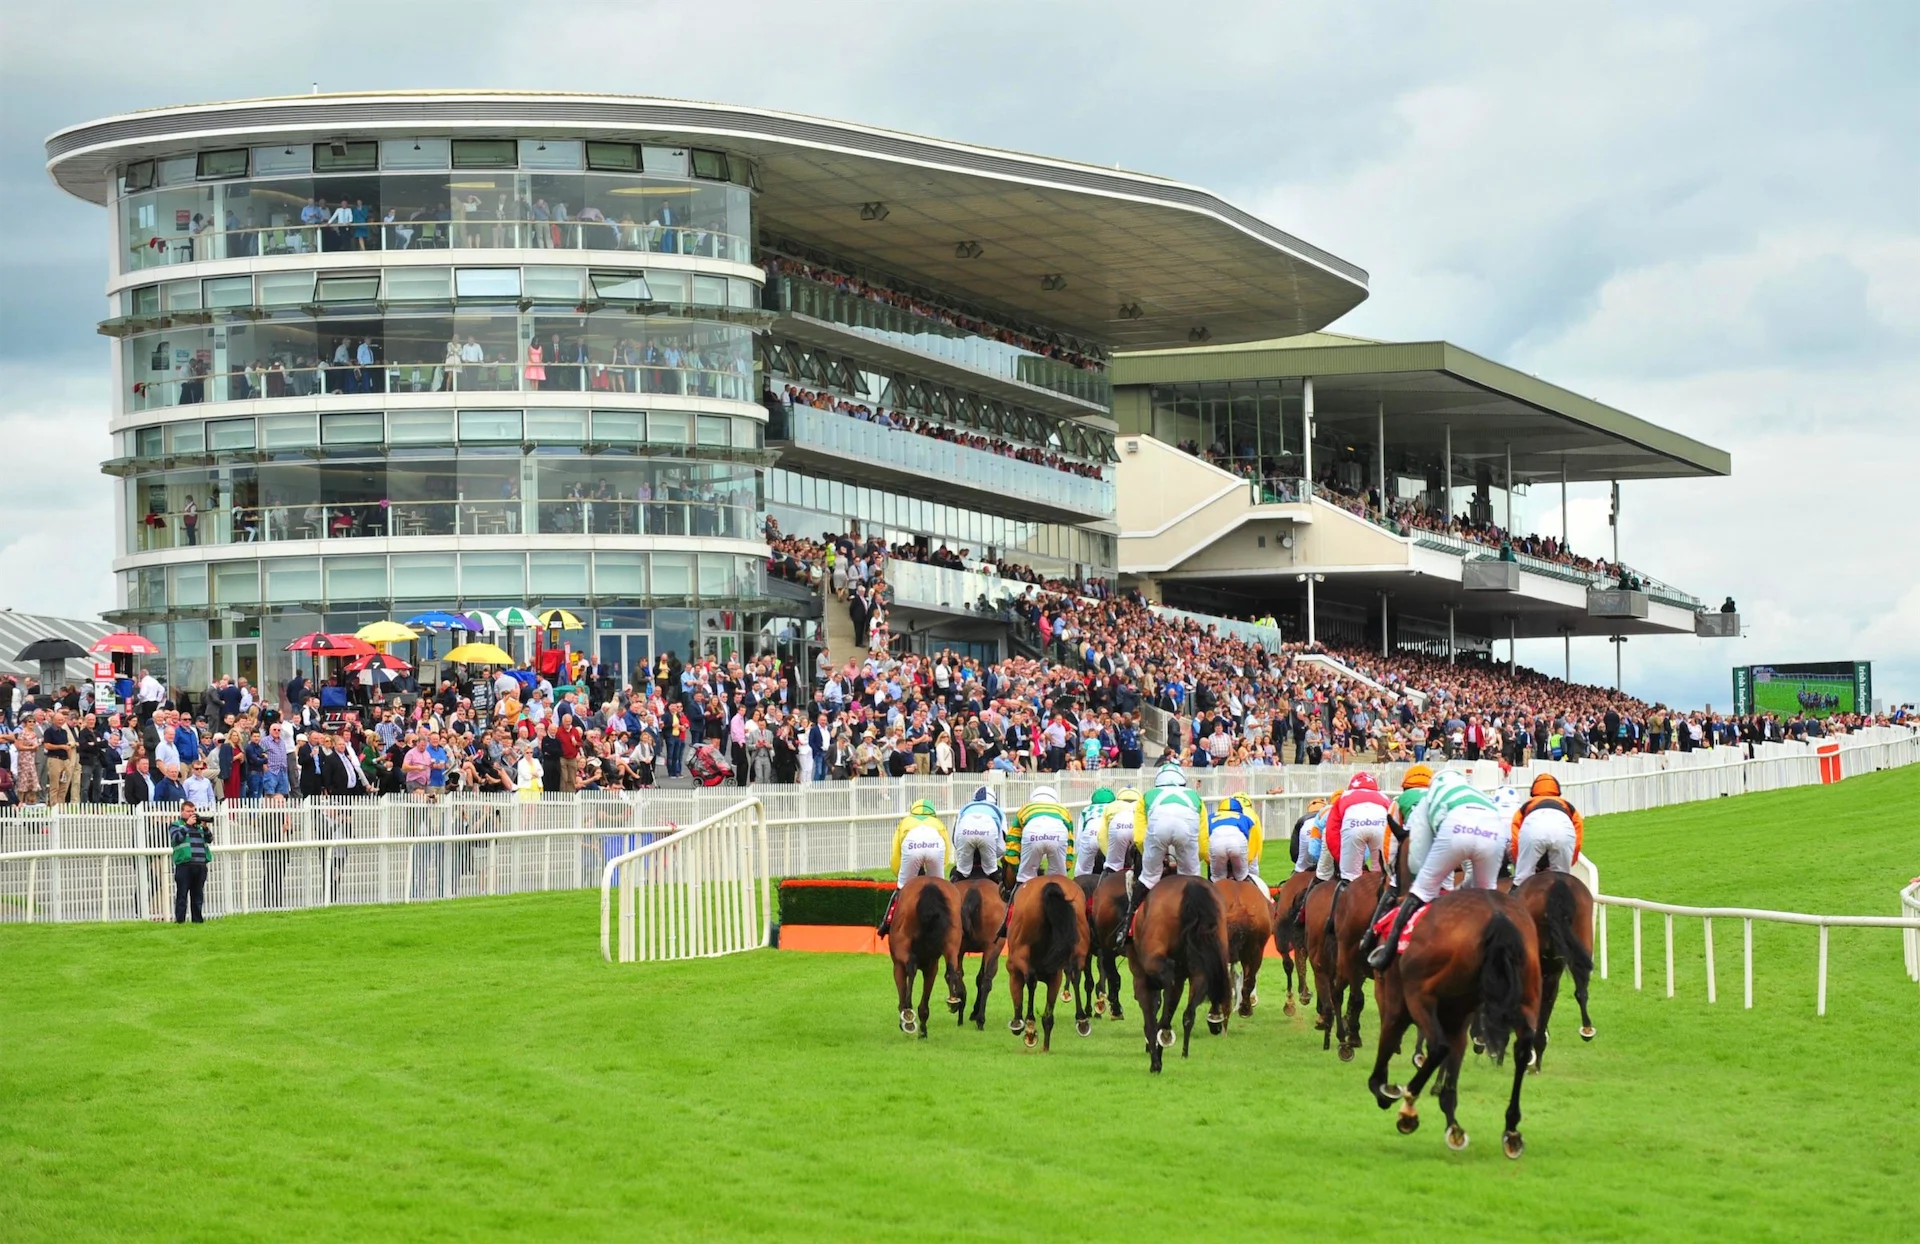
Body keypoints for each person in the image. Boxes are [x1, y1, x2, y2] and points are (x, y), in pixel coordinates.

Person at [1368, 771, 1506, 970]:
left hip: (1455, 831)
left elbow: (1417, 853)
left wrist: (1420, 879)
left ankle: (1385, 953)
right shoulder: (1477, 792)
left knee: (1422, 890)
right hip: (1494, 829)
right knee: (1487, 894)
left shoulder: (1428, 797)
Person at [1118, 764, 1208, 948]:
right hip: (1187, 832)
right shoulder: (1195, 797)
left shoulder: (1148, 796)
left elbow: (1140, 837)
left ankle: (1127, 927)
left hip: (1158, 831)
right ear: (1182, 781)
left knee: (1148, 877)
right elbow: (1203, 841)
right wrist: (1194, 860)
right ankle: (1206, 926)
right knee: (1192, 879)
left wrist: (1154, 859)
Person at [877, 799, 950, 935]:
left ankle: (886, 922)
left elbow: (896, 854)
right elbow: (946, 853)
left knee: (901, 888)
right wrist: (939, 872)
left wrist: (899, 876)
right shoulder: (938, 823)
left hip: (912, 846)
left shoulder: (905, 822)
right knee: (941, 888)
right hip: (935, 845)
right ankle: (952, 924)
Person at [1318, 771, 1392, 885]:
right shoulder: (1384, 797)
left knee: (1350, 878)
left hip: (1353, 829)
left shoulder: (1344, 796)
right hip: (1381, 829)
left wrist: (1342, 859)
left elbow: (1331, 832)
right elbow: (1393, 826)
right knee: (1382, 877)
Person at [1510, 773, 1585, 885]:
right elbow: (1577, 837)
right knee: (1561, 882)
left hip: (1533, 827)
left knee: (1522, 880)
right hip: (1563, 828)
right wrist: (1569, 862)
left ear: (1533, 791)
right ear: (1557, 791)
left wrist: (1520, 861)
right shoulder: (1567, 804)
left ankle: (1513, 898)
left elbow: (1515, 838)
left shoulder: (1527, 805)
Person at [950, 785, 1006, 882]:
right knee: (993, 872)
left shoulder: (964, 808)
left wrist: (968, 853)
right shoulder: (998, 810)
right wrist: (988, 854)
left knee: (961, 873)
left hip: (965, 832)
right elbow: (1002, 846)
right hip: (988, 834)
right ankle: (1006, 894)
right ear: (994, 800)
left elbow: (955, 840)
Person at [169, 803, 213, 924]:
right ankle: (180, 921)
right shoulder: (176, 825)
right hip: (184, 865)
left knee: (198, 895)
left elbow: (209, 839)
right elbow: (176, 838)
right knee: (182, 895)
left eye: (193, 811)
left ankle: (197, 921)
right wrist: (187, 825)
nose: (191, 814)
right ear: (182, 812)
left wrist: (205, 827)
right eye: (188, 811)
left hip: (200, 865)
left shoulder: (198, 826)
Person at [1208, 794, 1265, 885]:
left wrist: (1209, 860)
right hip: (1237, 843)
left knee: (1217, 880)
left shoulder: (1210, 817)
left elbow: (1203, 842)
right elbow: (1253, 844)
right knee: (1242, 877)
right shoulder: (1246, 818)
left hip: (1216, 843)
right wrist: (1246, 864)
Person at [1099, 787, 1142, 879]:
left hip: (1118, 824)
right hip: (1137, 822)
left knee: (1112, 866)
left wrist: (1110, 855)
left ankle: (1101, 889)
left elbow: (1101, 836)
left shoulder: (1111, 805)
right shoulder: (1142, 803)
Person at [1073, 787, 1116, 876]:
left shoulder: (1087, 809)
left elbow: (1080, 835)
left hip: (1090, 832)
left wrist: (1080, 853)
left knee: (1082, 871)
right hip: (1108, 833)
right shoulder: (1114, 807)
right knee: (1115, 866)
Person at [1290, 797, 1329, 874]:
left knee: (1301, 866)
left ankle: (1297, 873)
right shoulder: (1328, 816)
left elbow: (1294, 852)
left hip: (1304, 865)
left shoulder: (1301, 820)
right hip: (1324, 862)